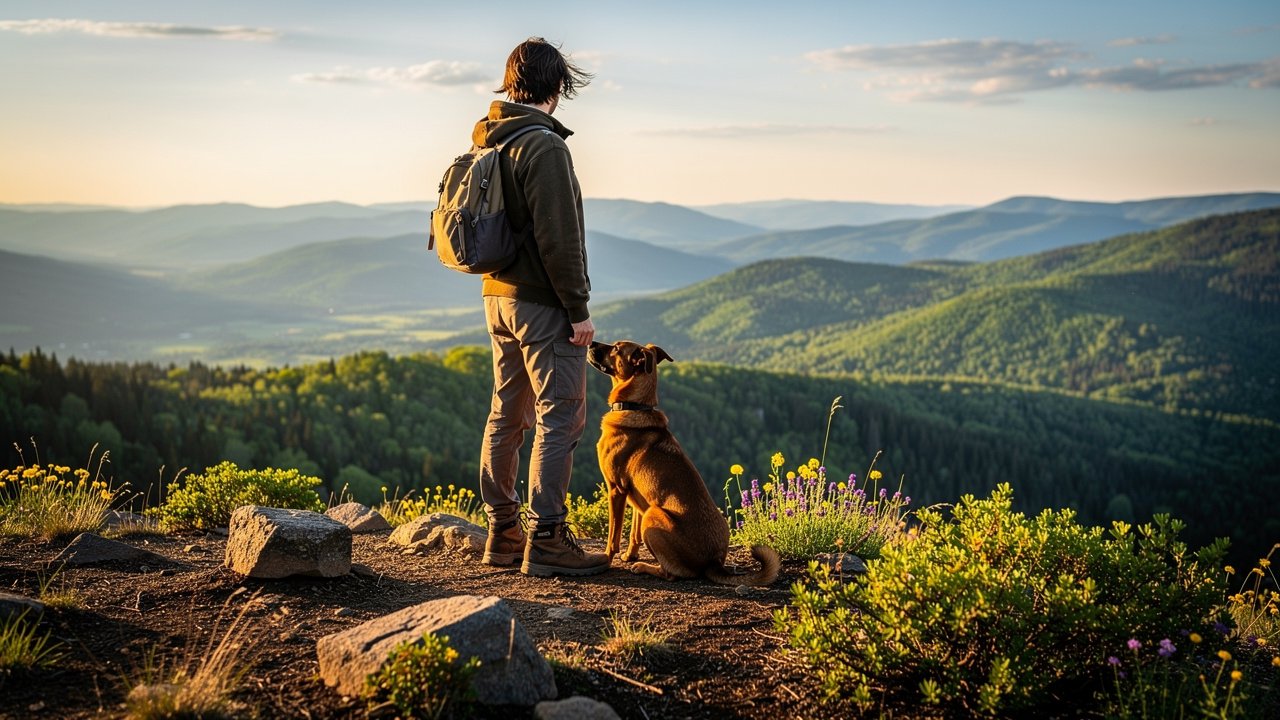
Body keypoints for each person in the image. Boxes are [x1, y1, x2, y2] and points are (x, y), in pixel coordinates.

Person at [474, 37, 609, 577]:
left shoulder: (491, 140)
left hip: (496, 298)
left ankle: (502, 530)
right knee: (561, 416)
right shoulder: (545, 147)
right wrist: (578, 310)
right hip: (541, 304)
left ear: (511, 83)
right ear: (558, 86)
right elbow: (560, 239)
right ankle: (548, 537)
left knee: (507, 412)